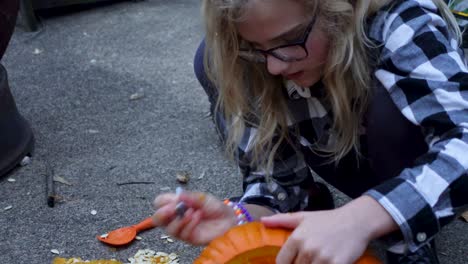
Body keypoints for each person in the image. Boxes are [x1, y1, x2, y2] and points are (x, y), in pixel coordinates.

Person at [152, 0, 468, 263]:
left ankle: (405, 234)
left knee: (388, 108)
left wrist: (362, 217)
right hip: (333, 151)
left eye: (289, 40)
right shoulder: (251, 55)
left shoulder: (400, 23)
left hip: (409, 160)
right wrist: (240, 219)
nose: (275, 67)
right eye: (255, 47)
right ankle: (310, 208)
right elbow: (272, 180)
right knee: (211, 59)